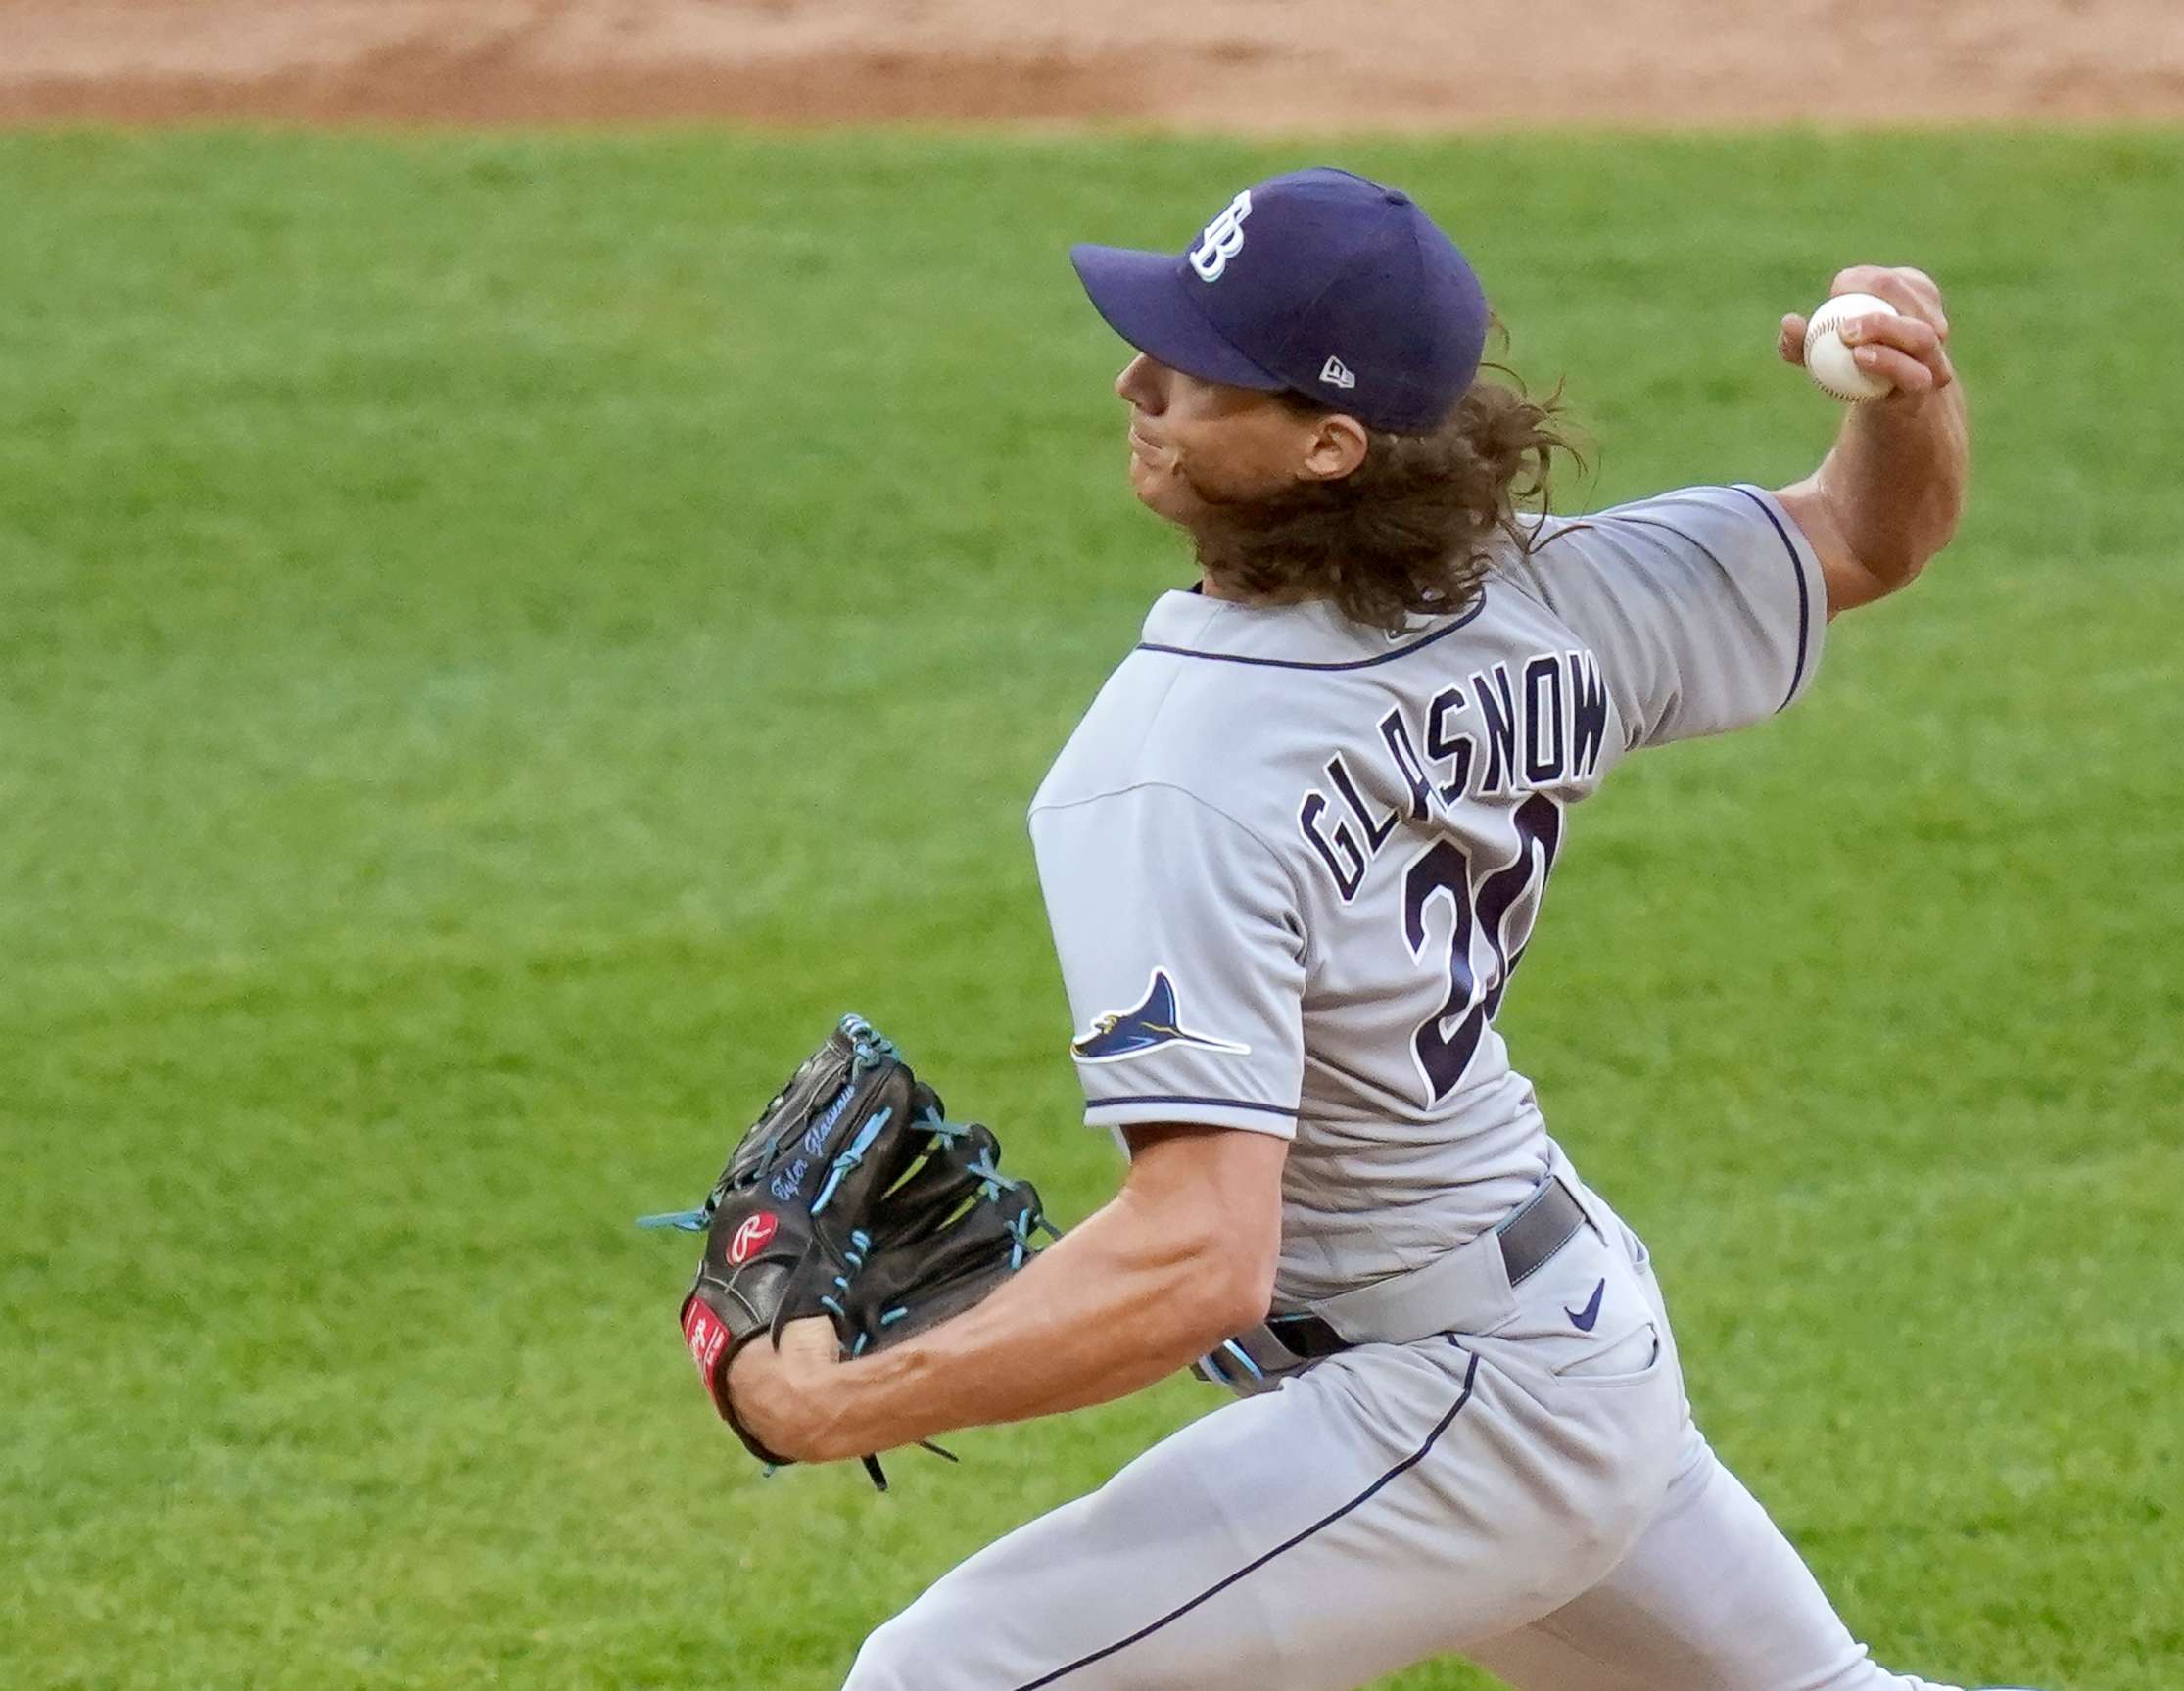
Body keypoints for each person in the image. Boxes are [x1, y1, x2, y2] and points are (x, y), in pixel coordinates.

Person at [728, 166, 2015, 1691]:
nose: (1137, 381)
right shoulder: (1545, 598)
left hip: (1453, 1402)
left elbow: (1201, 1258)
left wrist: (825, 1408)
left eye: (1198, 372)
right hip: (1562, 1328)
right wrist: (1903, 407)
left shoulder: (1179, 764)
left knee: (938, 1682)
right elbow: (1867, 541)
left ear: (1327, 445)